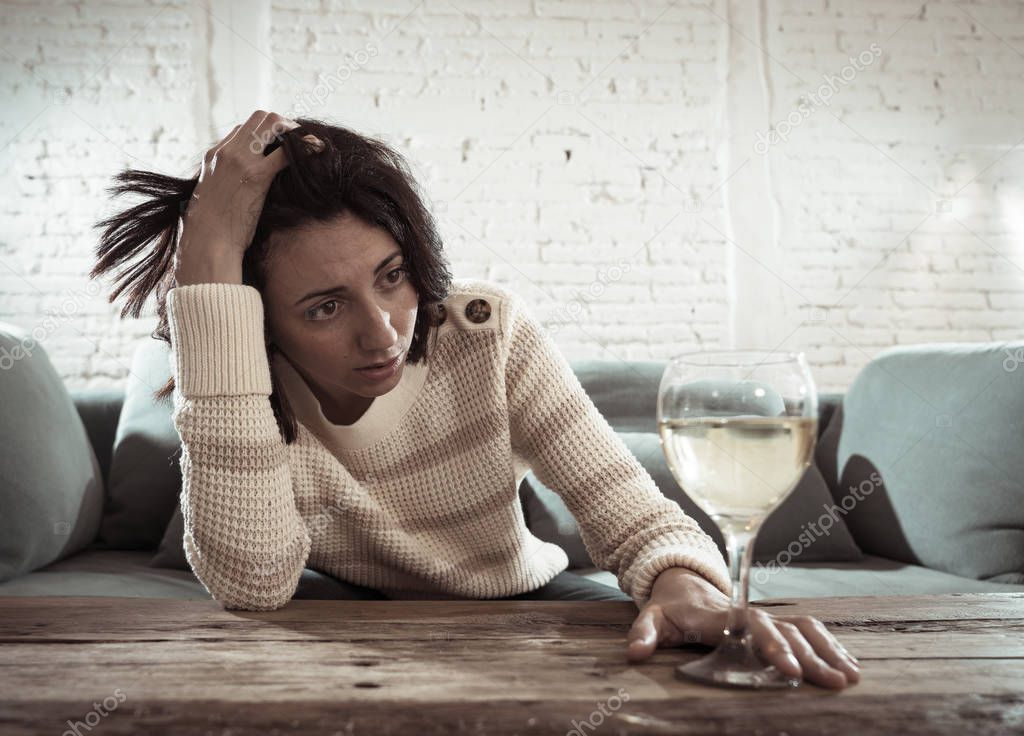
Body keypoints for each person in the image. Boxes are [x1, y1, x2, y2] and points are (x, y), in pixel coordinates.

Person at [90, 109, 860, 690]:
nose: (383, 333)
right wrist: (211, 260)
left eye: (392, 276)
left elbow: (623, 503)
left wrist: (686, 585)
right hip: (336, 609)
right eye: (325, 307)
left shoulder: (486, 334)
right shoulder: (243, 380)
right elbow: (253, 584)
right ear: (256, 319)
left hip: (521, 592)